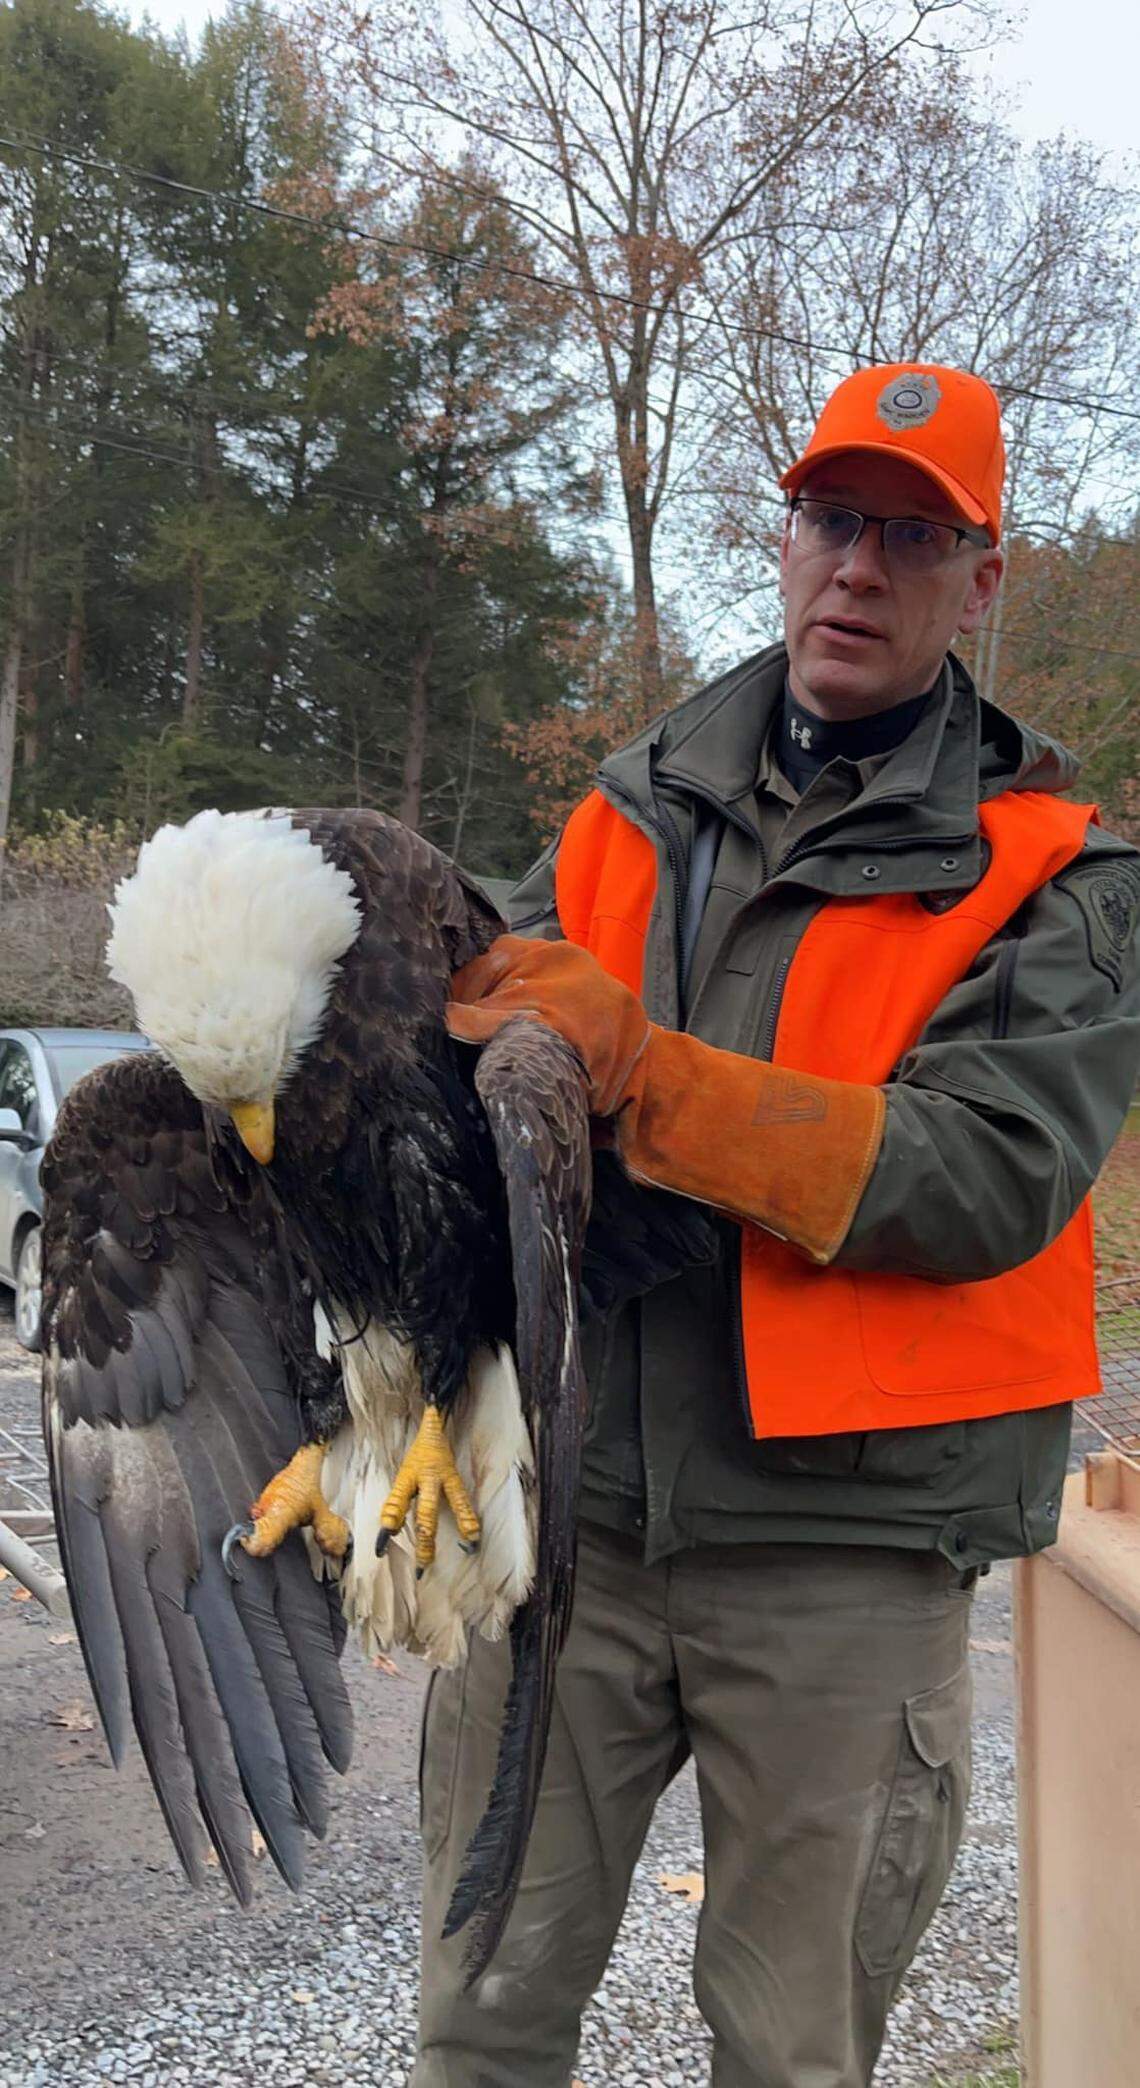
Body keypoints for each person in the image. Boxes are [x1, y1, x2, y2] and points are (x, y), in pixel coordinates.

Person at [413, 362, 1140, 2087]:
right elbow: (459, 1072)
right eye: (834, 520)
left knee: (793, 2052)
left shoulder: (1059, 873)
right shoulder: (619, 809)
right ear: (786, 532)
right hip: (568, 1529)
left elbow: (982, 1174)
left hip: (848, 1560)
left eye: (913, 534)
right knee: (476, 2021)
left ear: (984, 576)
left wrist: (646, 1076)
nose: (860, 569)